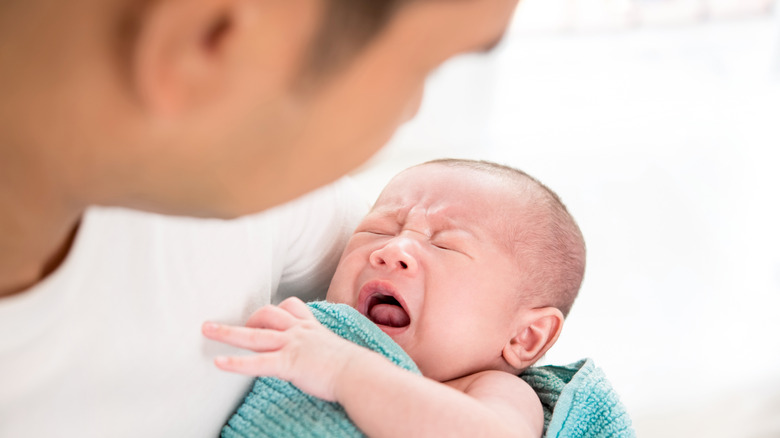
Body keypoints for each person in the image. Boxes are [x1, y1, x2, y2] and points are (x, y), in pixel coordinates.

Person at [0, 0, 521, 436]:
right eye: (421, 67)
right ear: (207, 40)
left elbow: (487, 317)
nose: (409, 113)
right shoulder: (241, 179)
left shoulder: (265, 196)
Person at [203, 159, 586, 437]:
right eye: (380, 229)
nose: (393, 250)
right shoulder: (310, 334)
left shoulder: (492, 390)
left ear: (526, 337)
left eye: (445, 245)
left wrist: (343, 370)